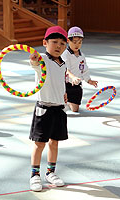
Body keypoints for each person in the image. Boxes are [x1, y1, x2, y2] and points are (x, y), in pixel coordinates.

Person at [28, 26, 68, 192]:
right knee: (39, 144)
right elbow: (35, 63)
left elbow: (60, 82)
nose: (58, 46)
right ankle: (34, 175)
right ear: (45, 43)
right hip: (44, 108)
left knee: (55, 143)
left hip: (59, 108)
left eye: (62, 43)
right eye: (54, 42)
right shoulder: (43, 59)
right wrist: (34, 59)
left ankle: (50, 172)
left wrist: (64, 95)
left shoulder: (62, 63)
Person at [61, 26, 98, 112]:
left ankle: (70, 103)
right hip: (66, 85)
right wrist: (73, 77)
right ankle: (65, 102)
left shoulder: (82, 56)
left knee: (75, 109)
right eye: (74, 42)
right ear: (68, 41)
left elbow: (84, 70)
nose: (77, 45)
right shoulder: (65, 54)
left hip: (77, 85)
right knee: (62, 108)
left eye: (80, 42)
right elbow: (66, 69)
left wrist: (89, 80)